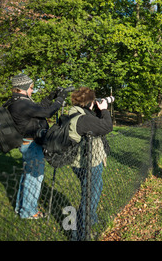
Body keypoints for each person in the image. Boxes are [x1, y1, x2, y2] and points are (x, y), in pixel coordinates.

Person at [7, 74, 66, 219]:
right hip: (32, 145)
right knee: (34, 178)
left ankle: (21, 208)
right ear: (23, 88)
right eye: (31, 88)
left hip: (28, 143)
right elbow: (46, 112)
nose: (32, 91)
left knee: (28, 177)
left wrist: (51, 97)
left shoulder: (18, 101)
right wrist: (59, 100)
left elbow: (39, 109)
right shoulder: (21, 103)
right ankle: (28, 212)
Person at [69, 87, 113, 240]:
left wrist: (97, 110)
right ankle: (81, 233)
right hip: (88, 162)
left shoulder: (76, 112)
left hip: (85, 160)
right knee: (89, 196)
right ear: (90, 102)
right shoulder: (83, 119)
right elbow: (107, 126)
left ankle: (90, 219)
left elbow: (96, 124)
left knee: (95, 187)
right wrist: (105, 110)